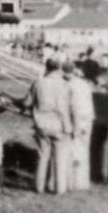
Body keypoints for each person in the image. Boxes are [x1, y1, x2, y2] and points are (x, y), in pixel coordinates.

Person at [25, 56, 73, 194]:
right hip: (61, 124)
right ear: (59, 69)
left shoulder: (38, 83)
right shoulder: (65, 85)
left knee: (42, 156)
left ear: (46, 67)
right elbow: (69, 106)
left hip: (42, 124)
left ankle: (39, 188)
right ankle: (59, 189)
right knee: (60, 158)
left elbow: (26, 103)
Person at [67, 62, 96, 191]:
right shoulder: (85, 85)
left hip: (77, 119)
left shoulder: (70, 85)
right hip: (88, 119)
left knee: (74, 149)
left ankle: (73, 181)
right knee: (84, 149)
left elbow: (72, 105)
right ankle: (82, 181)